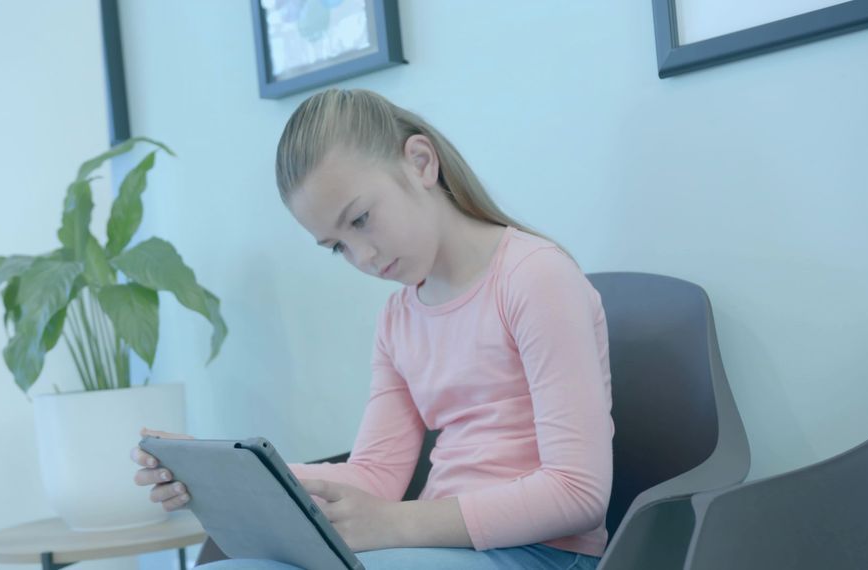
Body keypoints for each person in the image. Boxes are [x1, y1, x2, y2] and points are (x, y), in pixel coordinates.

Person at [131, 89, 613, 569]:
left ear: (421, 163)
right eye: (337, 246)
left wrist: (394, 523)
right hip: (435, 547)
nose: (364, 257)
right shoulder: (398, 319)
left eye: (360, 219)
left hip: (543, 554)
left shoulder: (534, 277)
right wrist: (226, 475)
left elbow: (577, 492)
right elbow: (375, 474)